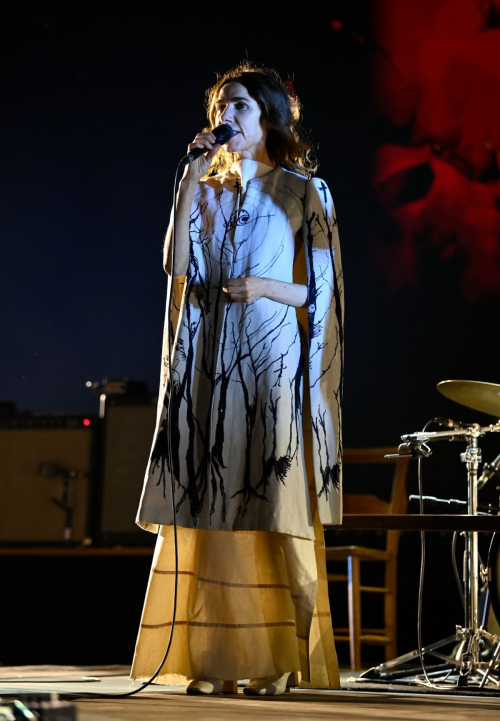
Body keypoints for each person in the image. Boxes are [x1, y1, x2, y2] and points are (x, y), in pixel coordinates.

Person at [131, 61, 344, 696]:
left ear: (270, 116)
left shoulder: (306, 191)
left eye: (241, 106)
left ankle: (275, 659)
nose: (227, 117)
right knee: (212, 502)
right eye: (220, 106)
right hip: (212, 366)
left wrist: (266, 287)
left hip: (270, 366)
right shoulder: (208, 188)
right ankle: (214, 658)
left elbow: (324, 294)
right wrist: (189, 181)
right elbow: (175, 264)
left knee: (263, 499)